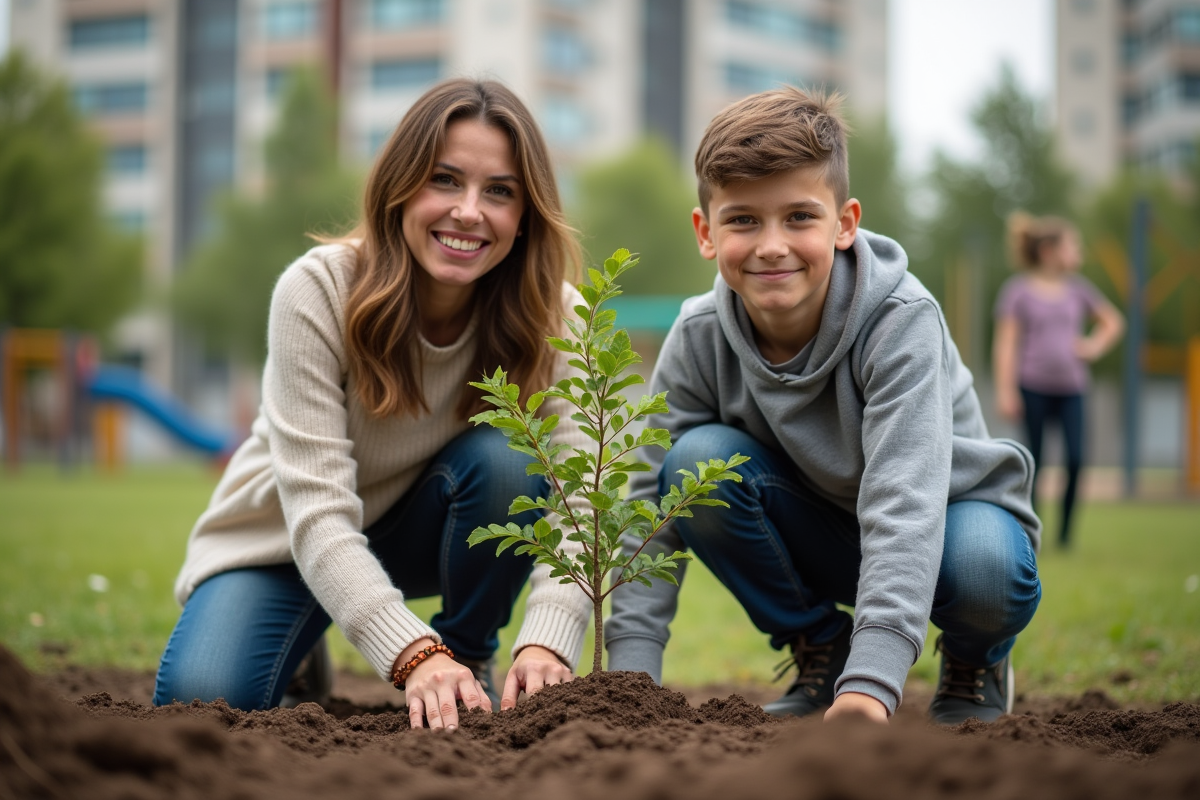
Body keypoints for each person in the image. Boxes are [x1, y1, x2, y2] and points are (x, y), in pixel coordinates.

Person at [153, 78, 593, 730]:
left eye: (498, 191)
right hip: (286, 544)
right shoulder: (317, 291)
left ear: (525, 213)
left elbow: (581, 494)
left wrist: (549, 633)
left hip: (426, 530)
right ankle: (312, 651)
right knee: (204, 699)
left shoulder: (553, 316)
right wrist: (413, 654)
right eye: (445, 180)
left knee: (507, 460)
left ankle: (466, 668)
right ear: (401, 186)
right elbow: (318, 514)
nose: (469, 212)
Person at [604, 87, 1043, 726]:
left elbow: (906, 500)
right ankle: (822, 647)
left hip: (948, 521)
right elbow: (648, 506)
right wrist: (631, 679)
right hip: (821, 529)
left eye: (800, 217)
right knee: (693, 465)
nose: (772, 245)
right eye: (744, 220)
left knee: (985, 571)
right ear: (706, 232)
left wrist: (872, 688)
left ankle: (976, 661)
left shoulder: (901, 321)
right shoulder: (698, 334)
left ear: (845, 223)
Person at [993, 213, 1125, 548]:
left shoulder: (1079, 291)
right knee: (1033, 462)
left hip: (1072, 390)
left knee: (1076, 458)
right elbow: (1006, 344)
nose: (1079, 252)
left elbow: (1113, 322)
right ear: (1050, 251)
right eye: (1074, 246)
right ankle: (1033, 532)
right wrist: (1006, 391)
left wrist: (1093, 346)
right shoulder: (1018, 292)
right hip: (1032, 387)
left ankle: (1065, 536)